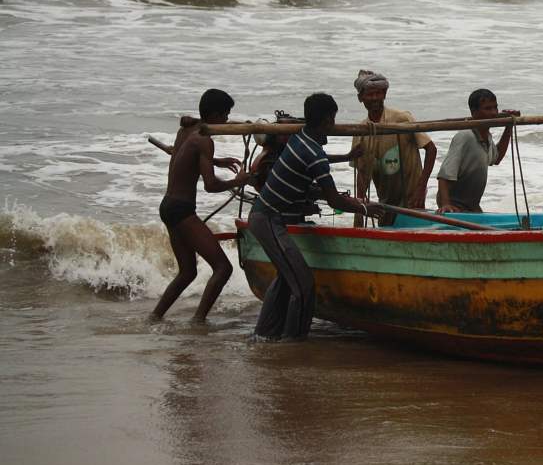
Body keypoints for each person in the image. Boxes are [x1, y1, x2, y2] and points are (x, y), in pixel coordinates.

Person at [248, 93, 385, 340]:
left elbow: (315, 161)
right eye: (333, 119)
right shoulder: (313, 153)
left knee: (284, 280)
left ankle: (264, 335)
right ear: (327, 119)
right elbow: (334, 199)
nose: (333, 125)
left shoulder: (300, 138)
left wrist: (345, 157)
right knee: (303, 285)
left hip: (264, 217)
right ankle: (293, 341)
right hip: (269, 220)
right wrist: (365, 208)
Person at [149, 89, 252, 322]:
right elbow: (211, 185)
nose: (226, 121)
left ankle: (154, 317)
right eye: (225, 115)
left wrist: (217, 161)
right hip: (182, 210)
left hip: (168, 206)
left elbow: (184, 155)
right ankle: (198, 321)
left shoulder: (186, 130)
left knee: (187, 272)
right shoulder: (204, 139)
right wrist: (239, 181)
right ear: (214, 115)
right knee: (223, 268)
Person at [350, 70, 436, 227]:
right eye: (370, 94)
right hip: (386, 203)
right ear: (360, 98)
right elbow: (362, 174)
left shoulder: (402, 118)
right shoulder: (360, 131)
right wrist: (360, 210)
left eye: (379, 93)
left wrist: (421, 188)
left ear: (384, 94)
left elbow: (431, 149)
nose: (375, 98)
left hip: (412, 198)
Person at [436, 89, 520, 213]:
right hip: (456, 206)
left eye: (495, 108)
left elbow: (497, 158)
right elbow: (444, 175)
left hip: (472, 205)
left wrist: (508, 126)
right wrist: (446, 204)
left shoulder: (487, 136)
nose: (493, 113)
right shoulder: (465, 137)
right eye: (487, 109)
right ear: (474, 112)